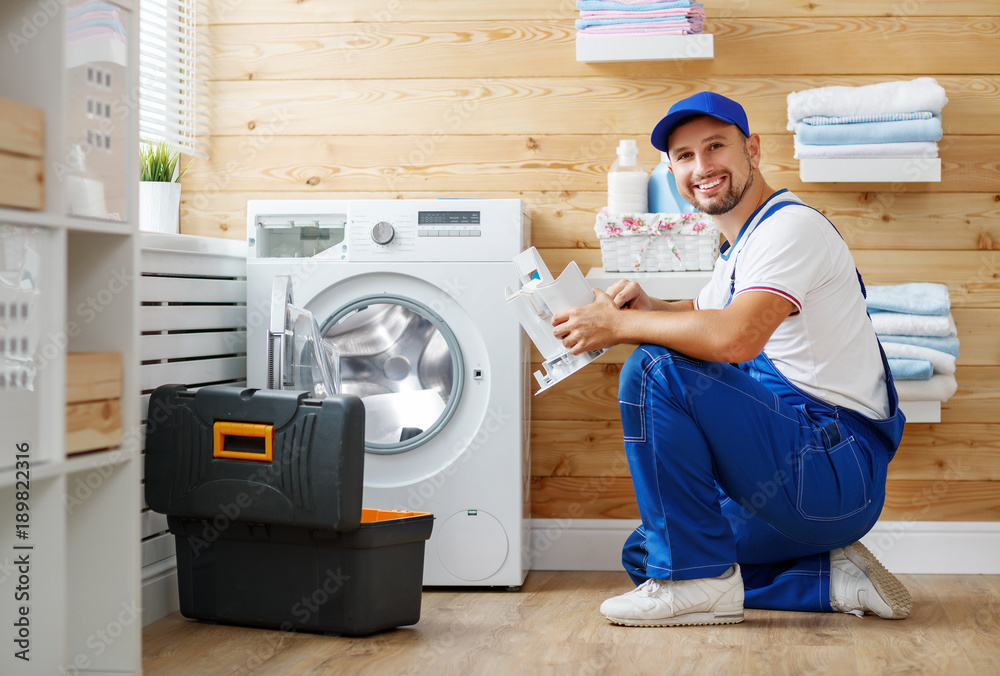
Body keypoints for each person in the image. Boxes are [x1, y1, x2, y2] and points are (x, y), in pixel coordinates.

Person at [551, 91, 912, 627]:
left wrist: (622, 326)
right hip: (803, 484)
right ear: (673, 169)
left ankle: (701, 584)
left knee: (654, 368)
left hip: (831, 469)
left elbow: (736, 338)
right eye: (684, 156)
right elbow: (703, 314)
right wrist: (650, 307)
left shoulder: (790, 229)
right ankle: (827, 579)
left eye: (715, 147)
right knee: (648, 551)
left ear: (754, 150)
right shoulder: (740, 249)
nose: (702, 167)